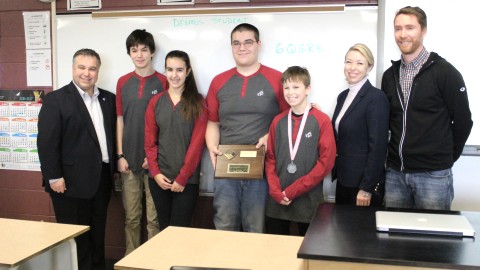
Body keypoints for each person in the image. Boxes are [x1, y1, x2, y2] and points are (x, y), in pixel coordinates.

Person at [381, 6, 473, 210]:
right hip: (396, 174)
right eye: (397, 29)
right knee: (395, 240)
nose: (402, 34)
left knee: (433, 239)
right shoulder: (389, 76)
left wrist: (444, 158)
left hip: (433, 176)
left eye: (409, 28)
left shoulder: (445, 72)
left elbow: (464, 122)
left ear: (423, 30)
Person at [205, 23, 289, 232]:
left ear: (259, 44)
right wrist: (212, 149)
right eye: (236, 43)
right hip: (226, 167)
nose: (242, 48)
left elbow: (290, 119)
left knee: (256, 227)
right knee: (224, 226)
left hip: (261, 169)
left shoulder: (277, 79)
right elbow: (212, 122)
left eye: (248, 42)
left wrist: (271, 136)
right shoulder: (219, 81)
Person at [37, 48, 116, 270]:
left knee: (97, 235)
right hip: (68, 184)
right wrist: (53, 177)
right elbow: (46, 143)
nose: (86, 73)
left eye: (92, 68)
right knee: (76, 240)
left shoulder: (108, 99)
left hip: (101, 181)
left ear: (98, 71)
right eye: (81, 67)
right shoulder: (56, 100)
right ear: (73, 68)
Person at [265, 66, 336, 236]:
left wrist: (292, 191)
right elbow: (270, 159)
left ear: (307, 89)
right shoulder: (278, 121)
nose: (290, 92)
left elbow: (326, 163)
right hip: (278, 200)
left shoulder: (322, 120)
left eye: (296, 87)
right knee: (276, 251)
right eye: (286, 88)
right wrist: (275, 190)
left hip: (308, 200)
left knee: (308, 254)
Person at [116, 29, 166, 255]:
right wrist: (120, 155)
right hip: (129, 162)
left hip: (154, 164)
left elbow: (167, 124)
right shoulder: (123, 82)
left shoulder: (164, 81)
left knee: (154, 222)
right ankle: (131, 261)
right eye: (134, 50)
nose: (139, 54)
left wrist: (154, 158)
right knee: (132, 219)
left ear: (152, 52)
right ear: (129, 53)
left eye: (144, 49)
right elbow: (120, 120)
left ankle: (153, 262)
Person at [145, 50, 207, 230]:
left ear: (188, 72)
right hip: (159, 179)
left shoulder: (198, 102)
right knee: (164, 228)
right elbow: (150, 143)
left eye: (179, 70)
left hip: (187, 181)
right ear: (164, 71)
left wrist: (182, 178)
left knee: (180, 231)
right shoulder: (155, 102)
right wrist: (155, 173)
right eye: (170, 69)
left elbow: (197, 145)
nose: (174, 75)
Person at [331, 43, 389, 207]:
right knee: (342, 230)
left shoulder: (376, 98)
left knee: (360, 231)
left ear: (369, 67)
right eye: (348, 62)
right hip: (344, 178)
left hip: (362, 185)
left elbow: (378, 147)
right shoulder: (343, 97)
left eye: (359, 63)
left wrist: (366, 188)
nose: (352, 67)